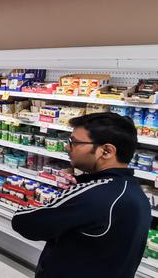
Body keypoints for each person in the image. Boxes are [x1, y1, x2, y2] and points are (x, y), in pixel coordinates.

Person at [12, 112, 151, 278]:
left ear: (106, 151)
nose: (66, 147)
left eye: (74, 142)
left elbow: (24, 222)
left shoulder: (94, 194)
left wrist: (65, 196)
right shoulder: (135, 192)